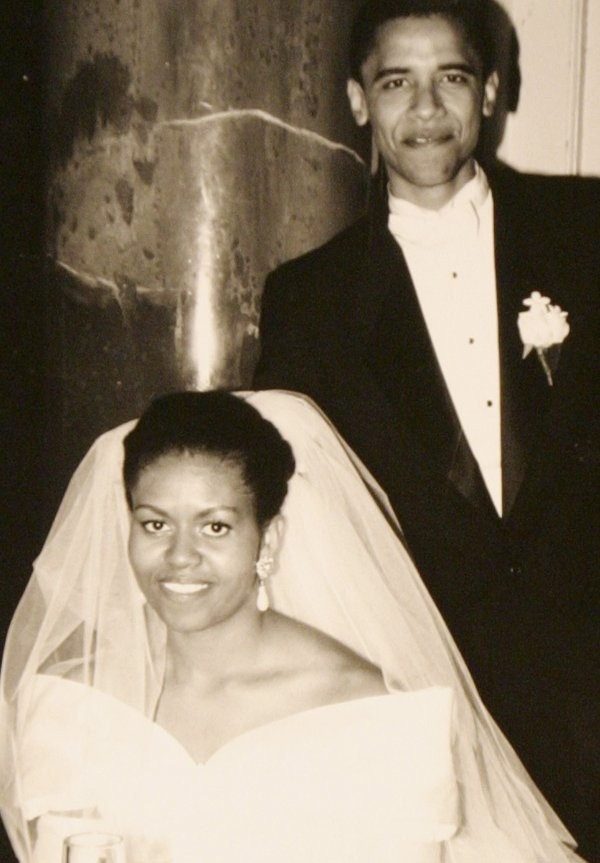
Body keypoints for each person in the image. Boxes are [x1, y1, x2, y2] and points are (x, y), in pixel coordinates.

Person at [252, 1, 600, 855]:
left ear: (490, 91)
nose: (427, 108)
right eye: (396, 83)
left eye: (450, 77)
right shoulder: (308, 299)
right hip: (427, 704)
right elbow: (295, 513)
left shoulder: (585, 232)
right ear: (357, 100)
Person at [0, 390, 584, 862]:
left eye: (215, 527)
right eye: (155, 525)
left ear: (268, 537)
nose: (179, 556)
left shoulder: (368, 715)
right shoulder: (76, 704)